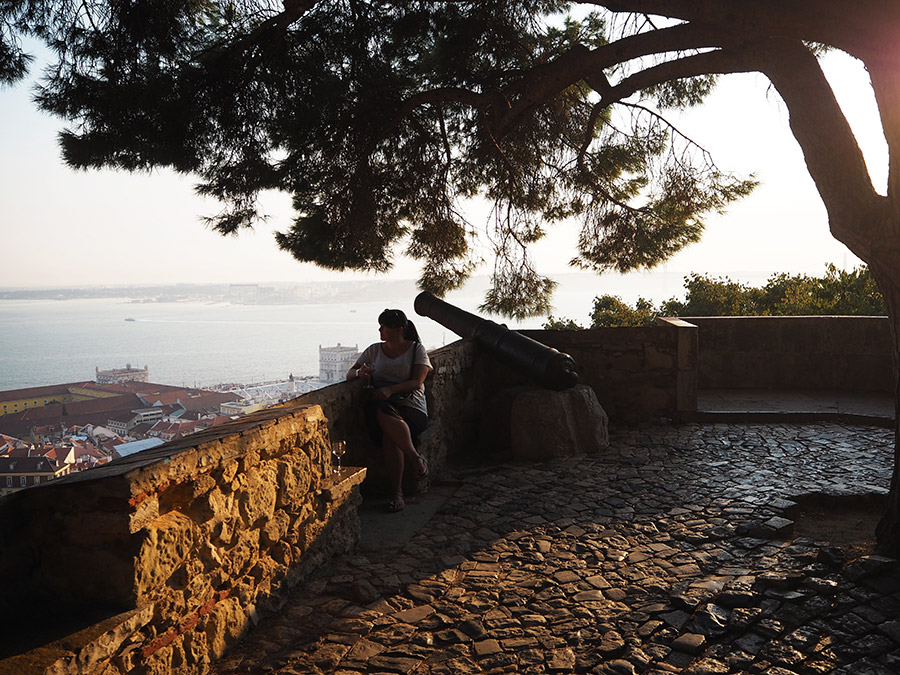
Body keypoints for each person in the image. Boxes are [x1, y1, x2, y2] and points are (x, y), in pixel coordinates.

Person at [347, 308, 432, 512]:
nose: (380, 330)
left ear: (398, 329)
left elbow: (417, 381)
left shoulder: (416, 350)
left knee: (389, 436)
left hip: (411, 406)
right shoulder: (374, 350)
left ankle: (397, 494)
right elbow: (350, 373)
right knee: (384, 414)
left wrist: (390, 389)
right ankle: (414, 458)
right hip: (381, 406)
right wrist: (361, 372)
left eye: (384, 326)